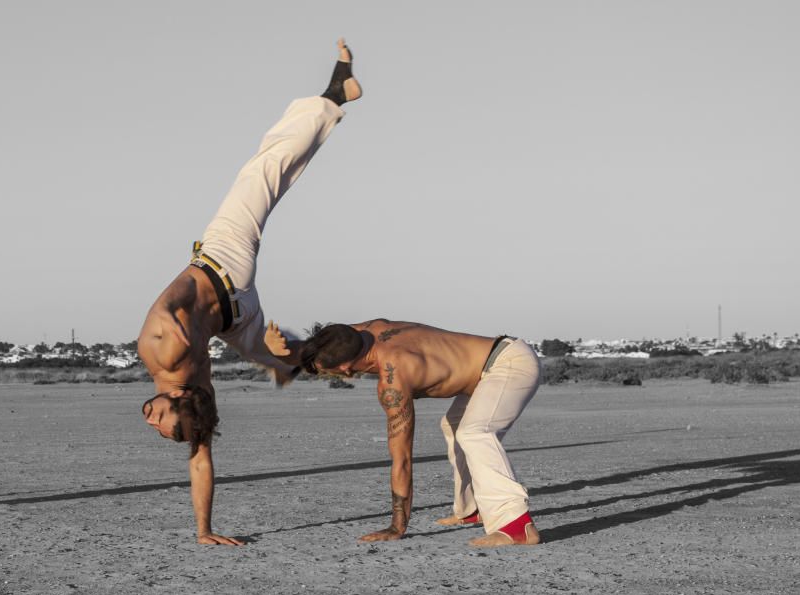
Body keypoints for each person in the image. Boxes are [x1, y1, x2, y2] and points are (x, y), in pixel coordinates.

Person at [137, 40, 362, 545]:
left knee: (280, 359)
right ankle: (334, 95)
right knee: (261, 171)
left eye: (163, 429)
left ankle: (300, 360)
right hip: (223, 264)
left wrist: (204, 532)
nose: (154, 426)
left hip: (237, 316)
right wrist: (183, 310)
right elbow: (174, 310)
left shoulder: (199, 396)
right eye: (166, 425)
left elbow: (201, 460)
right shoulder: (160, 348)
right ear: (179, 398)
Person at [264, 320, 542, 546]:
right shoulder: (364, 331)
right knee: (455, 427)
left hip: (509, 365)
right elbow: (324, 342)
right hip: (492, 363)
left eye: (329, 373)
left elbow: (403, 459)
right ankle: (472, 510)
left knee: (475, 433)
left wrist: (397, 526)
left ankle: (517, 526)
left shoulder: (394, 378)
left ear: (345, 369)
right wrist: (282, 349)